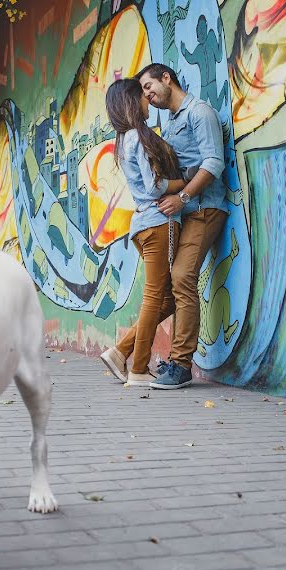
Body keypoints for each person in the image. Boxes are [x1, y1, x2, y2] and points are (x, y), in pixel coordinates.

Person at [128, 62, 229, 390]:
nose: (147, 95)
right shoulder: (169, 124)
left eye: (148, 86)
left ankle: (181, 364)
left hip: (204, 209)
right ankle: (125, 352)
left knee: (182, 276)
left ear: (166, 78)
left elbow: (214, 161)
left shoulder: (199, 112)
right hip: (183, 213)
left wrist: (182, 196)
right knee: (168, 288)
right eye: (143, 92)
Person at [99, 78, 187, 386]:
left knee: (167, 299)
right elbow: (154, 186)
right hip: (156, 222)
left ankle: (121, 352)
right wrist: (181, 185)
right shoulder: (137, 136)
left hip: (143, 226)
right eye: (144, 97)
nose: (148, 101)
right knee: (155, 298)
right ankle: (137, 368)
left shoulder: (125, 140)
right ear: (132, 101)